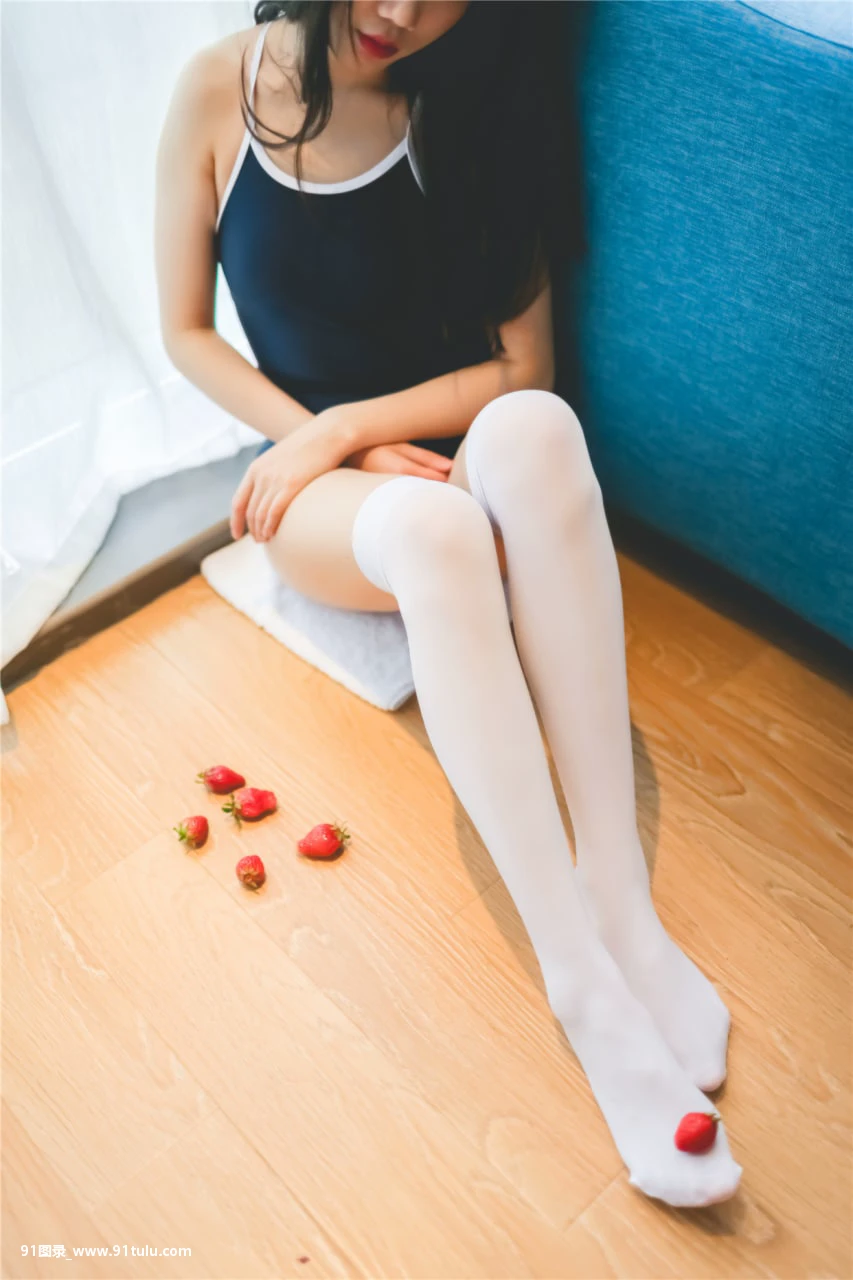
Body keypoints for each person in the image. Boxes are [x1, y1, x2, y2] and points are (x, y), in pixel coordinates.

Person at [155, 0, 742, 1207]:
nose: (400, 14)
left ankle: (621, 903)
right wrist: (322, 443)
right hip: (321, 498)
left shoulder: (469, 101)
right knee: (436, 530)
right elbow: (186, 332)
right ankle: (579, 979)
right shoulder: (215, 90)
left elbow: (521, 368)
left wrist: (360, 425)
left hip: (424, 449)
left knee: (537, 428)